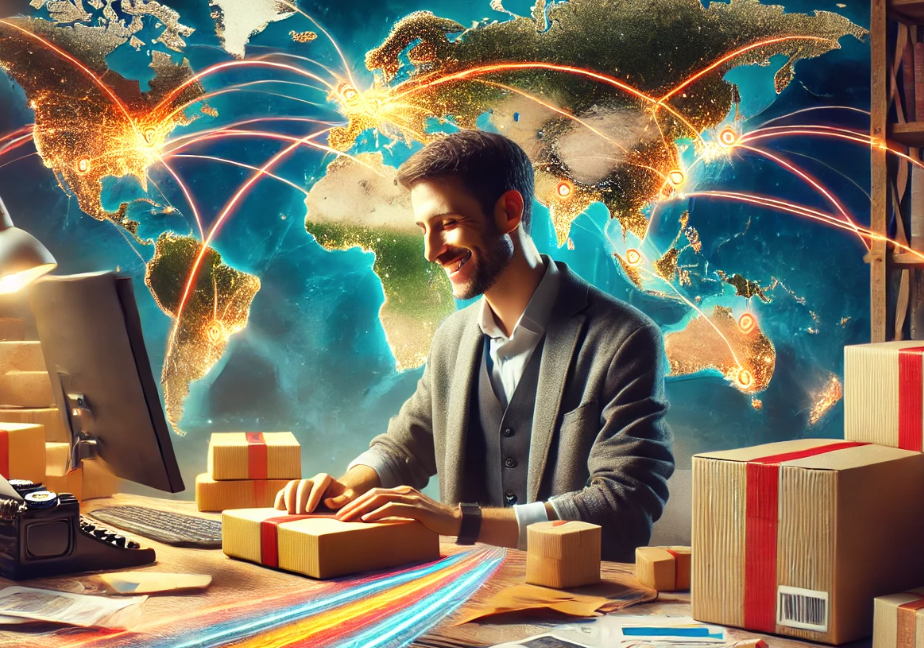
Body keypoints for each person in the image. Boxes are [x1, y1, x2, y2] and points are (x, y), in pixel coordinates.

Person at [274, 129, 674, 560]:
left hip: (581, 603)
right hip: (467, 599)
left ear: (509, 211)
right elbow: (408, 443)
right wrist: (347, 486)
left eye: (447, 224)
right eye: (424, 229)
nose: (432, 251)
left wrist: (459, 521)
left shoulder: (625, 339)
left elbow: (626, 509)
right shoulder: (452, 337)